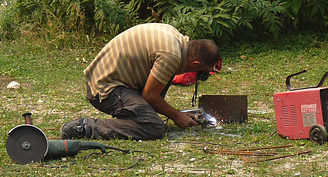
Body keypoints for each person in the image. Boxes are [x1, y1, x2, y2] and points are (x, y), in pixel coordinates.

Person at [60, 23, 221, 140]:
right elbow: (150, 96)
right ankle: (84, 127)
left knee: (155, 107)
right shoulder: (171, 55)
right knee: (154, 127)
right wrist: (177, 116)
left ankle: (137, 117)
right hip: (106, 88)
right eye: (200, 72)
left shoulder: (176, 39)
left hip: (116, 81)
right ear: (195, 64)